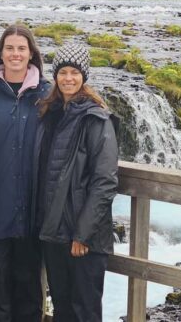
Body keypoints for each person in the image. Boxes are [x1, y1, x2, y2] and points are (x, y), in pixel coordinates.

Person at [34, 44, 119, 322]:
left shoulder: (96, 118)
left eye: (74, 72)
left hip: (84, 238)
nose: (68, 78)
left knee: (85, 312)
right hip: (54, 231)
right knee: (63, 309)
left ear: (84, 76)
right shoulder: (52, 113)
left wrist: (82, 234)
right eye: (62, 72)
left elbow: (104, 181)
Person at [0, 24, 49, 321]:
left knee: (29, 294)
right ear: (0, 53)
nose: (15, 54)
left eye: (21, 48)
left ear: (31, 53)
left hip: (33, 212)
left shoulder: (48, 94)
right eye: (9, 48)